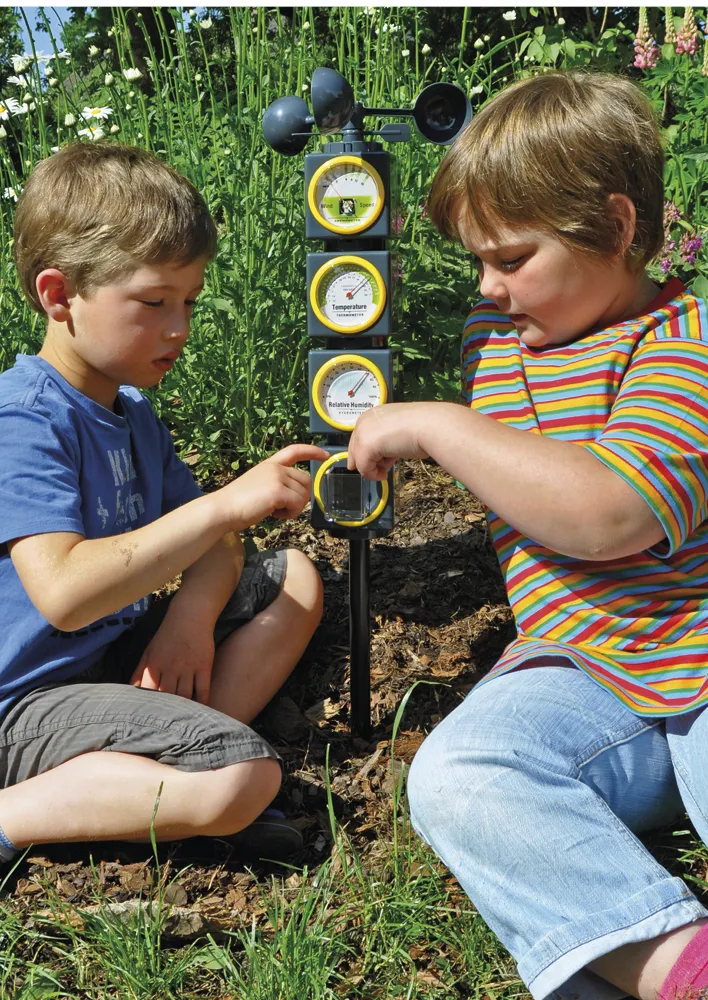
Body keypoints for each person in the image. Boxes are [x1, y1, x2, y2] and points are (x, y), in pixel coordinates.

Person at [347, 73, 708, 1000]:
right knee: (460, 776)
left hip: (702, 657)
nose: (488, 287)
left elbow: (612, 514)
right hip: (582, 678)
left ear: (620, 229)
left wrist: (435, 427)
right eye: (477, 260)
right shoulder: (494, 335)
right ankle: (677, 967)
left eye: (510, 258)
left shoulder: (687, 343)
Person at [0, 141, 329, 864]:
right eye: (153, 302)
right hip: (23, 703)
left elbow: (220, 547)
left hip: (109, 660)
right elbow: (63, 595)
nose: (178, 327)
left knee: (293, 579)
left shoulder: (131, 410)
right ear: (60, 296)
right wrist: (224, 506)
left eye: (188, 302)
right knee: (242, 779)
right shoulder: (23, 418)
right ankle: (18, 814)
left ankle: (149, 770)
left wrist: (190, 617)